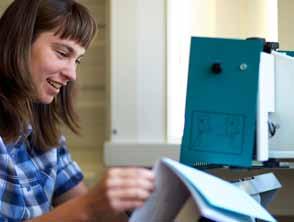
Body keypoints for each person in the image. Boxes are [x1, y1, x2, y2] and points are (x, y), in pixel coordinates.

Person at [0, 0, 155, 221]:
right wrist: (89, 206)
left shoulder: (44, 133)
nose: (72, 74)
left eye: (78, 60)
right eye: (62, 53)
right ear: (20, 43)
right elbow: (84, 207)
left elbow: (87, 206)